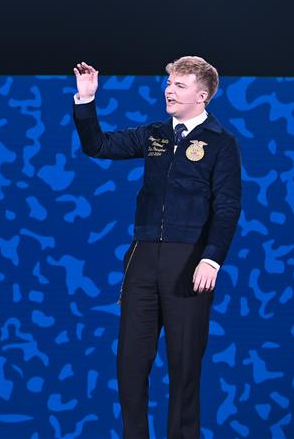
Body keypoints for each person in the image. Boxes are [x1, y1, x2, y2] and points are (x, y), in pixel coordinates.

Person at [71, 56, 242, 438]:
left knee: (184, 364)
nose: (169, 91)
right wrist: (86, 99)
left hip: (190, 260)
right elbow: (97, 145)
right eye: (168, 84)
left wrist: (211, 259)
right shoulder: (154, 135)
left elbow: (227, 207)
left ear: (202, 96)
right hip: (144, 257)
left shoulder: (221, 143)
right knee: (130, 362)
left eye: (179, 85)